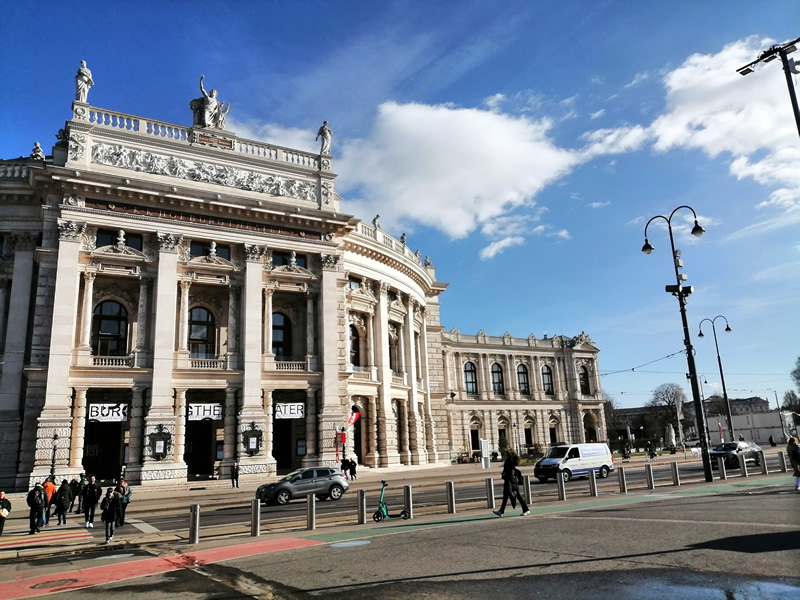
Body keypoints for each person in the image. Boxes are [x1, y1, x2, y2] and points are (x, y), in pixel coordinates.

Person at [492, 450, 529, 517]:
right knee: (506, 497)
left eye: (506, 455)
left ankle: (526, 509)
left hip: (510, 482)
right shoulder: (509, 462)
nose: (504, 456)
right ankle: (501, 511)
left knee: (517, 496)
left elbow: (509, 473)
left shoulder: (509, 462)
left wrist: (505, 474)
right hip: (510, 481)